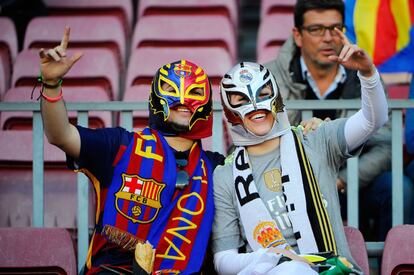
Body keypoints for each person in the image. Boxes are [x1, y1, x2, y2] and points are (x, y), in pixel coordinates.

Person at [38, 27, 224, 274]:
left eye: (194, 92)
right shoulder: (120, 146)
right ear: (155, 97)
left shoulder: (216, 167)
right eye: (171, 90)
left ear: (207, 104)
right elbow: (60, 134)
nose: (183, 99)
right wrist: (51, 85)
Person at [212, 27, 387, 274]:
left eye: (263, 94)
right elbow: (223, 260)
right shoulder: (224, 176)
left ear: (277, 98)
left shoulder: (315, 140)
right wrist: (270, 259)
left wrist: (368, 74)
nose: (255, 106)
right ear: (229, 111)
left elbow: (373, 121)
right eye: (241, 101)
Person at [264, 0, 392, 239]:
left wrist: (342, 180)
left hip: (352, 184)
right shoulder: (269, 78)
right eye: (316, 29)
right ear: (298, 35)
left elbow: (386, 143)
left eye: (335, 29)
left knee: (397, 189)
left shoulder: (365, 75)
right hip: (288, 186)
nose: (327, 38)